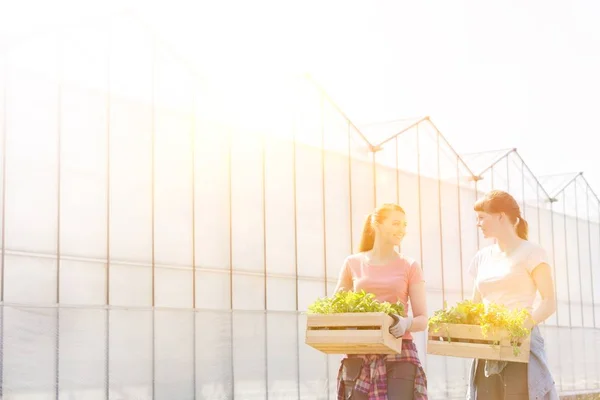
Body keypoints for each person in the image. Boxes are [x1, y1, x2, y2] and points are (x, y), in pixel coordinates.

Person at [466, 190, 558, 400]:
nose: (478, 223)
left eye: (482, 218)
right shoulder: (482, 258)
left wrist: (521, 327)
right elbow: (475, 306)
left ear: (501, 216)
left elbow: (549, 302)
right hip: (488, 345)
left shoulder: (532, 252)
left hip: (521, 344)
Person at [334, 203, 428, 399]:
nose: (402, 230)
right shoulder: (352, 263)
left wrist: (406, 323)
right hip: (359, 353)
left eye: (404, 225)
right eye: (395, 224)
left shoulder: (409, 266)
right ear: (376, 224)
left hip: (399, 353)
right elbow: (336, 308)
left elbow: (423, 319)